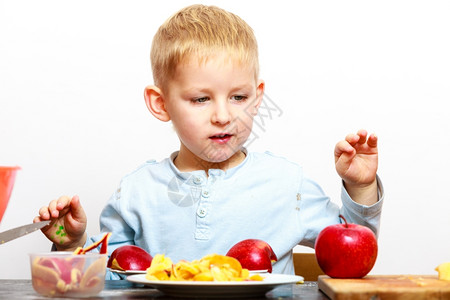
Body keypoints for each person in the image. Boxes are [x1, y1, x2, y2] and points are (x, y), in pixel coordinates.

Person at [34, 4, 383, 279]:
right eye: (201, 99)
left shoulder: (286, 183)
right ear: (161, 104)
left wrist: (360, 186)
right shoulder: (137, 192)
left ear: (258, 97)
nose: (223, 116)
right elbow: (110, 278)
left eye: (238, 97)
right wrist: (72, 244)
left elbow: (352, 258)